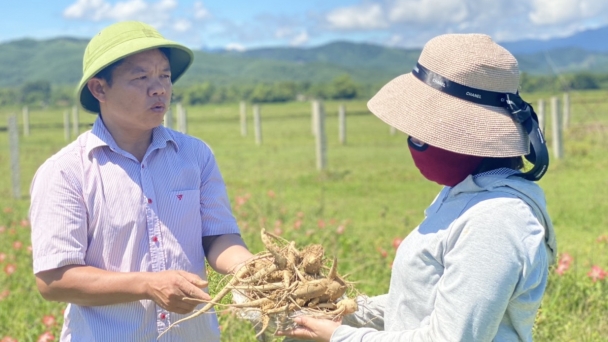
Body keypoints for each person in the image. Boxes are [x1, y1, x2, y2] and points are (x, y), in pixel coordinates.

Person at [277, 33, 557, 341]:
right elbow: (423, 304)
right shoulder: (466, 196)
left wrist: (338, 336)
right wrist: (350, 311)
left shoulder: (497, 220)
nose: (413, 141)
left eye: (425, 134)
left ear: (469, 136)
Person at [29, 21, 253, 341]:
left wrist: (250, 268)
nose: (159, 88)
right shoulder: (66, 171)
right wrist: (147, 285)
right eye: (141, 77)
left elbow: (218, 237)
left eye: (165, 75)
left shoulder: (194, 155)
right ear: (99, 89)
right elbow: (54, 280)